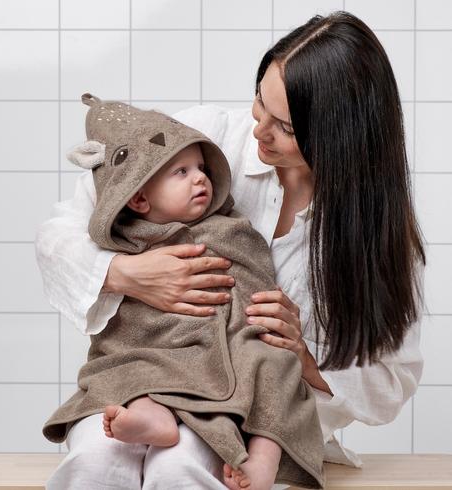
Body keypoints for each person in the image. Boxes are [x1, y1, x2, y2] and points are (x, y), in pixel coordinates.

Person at [36, 11, 425, 490]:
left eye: (283, 125)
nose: (259, 128)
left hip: (253, 416)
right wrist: (126, 272)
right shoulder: (203, 140)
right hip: (146, 376)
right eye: (260, 101)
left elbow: (389, 384)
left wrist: (303, 356)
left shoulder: (375, 237)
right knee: (98, 458)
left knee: (182, 467)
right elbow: (62, 232)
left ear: (337, 137)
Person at [42, 95, 325, 490]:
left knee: (271, 367)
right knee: (101, 441)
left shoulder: (229, 229)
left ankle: (256, 449)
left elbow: (254, 279)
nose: (200, 179)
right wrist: (122, 272)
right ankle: (148, 410)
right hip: (143, 356)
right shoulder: (123, 238)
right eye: (181, 172)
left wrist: (265, 339)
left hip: (215, 357)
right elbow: (59, 241)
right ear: (139, 198)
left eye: (202, 168)